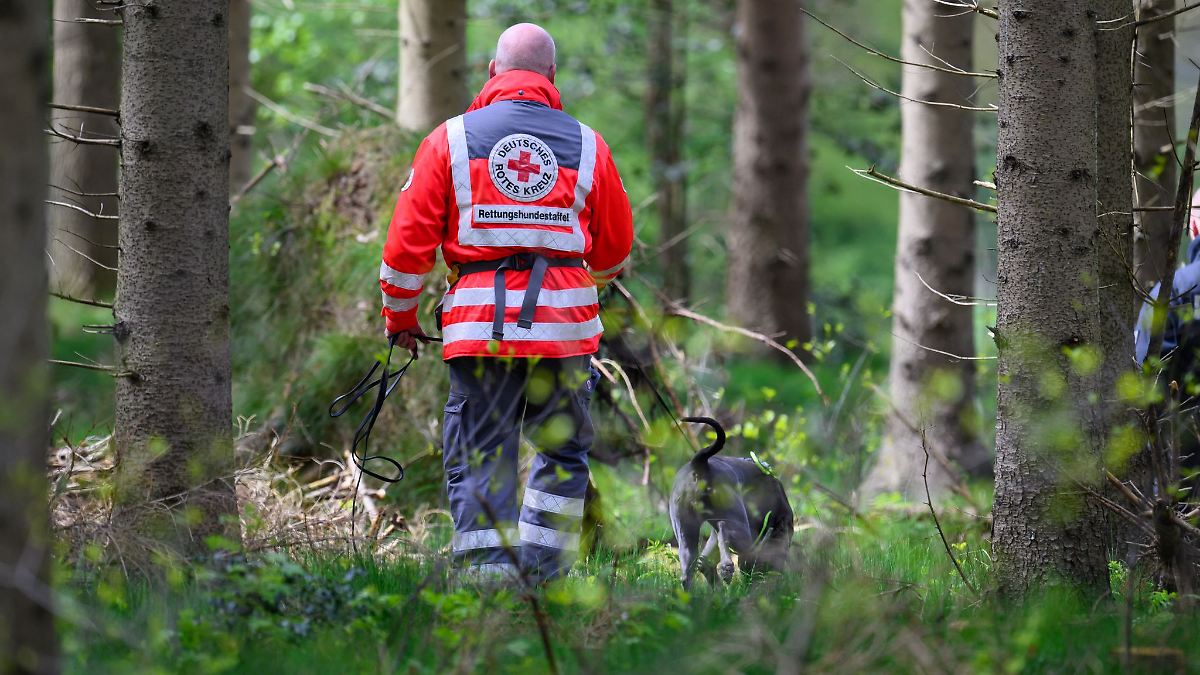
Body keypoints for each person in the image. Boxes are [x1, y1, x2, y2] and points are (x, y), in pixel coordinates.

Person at [377, 23, 633, 583]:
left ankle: (485, 582)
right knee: (562, 454)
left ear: (492, 72)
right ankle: (543, 579)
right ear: (552, 76)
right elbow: (614, 250)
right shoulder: (589, 144)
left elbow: (405, 247)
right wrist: (574, 283)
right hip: (563, 332)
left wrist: (400, 317)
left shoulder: (450, 138)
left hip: (479, 329)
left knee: (480, 452)